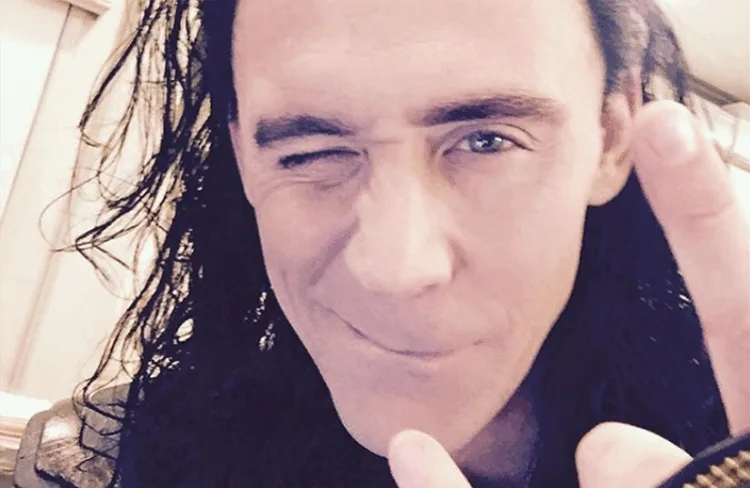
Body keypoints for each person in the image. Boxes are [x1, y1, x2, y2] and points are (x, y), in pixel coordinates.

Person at [13, 0, 749, 487]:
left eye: (487, 141)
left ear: (611, 135)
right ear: (242, 159)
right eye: (310, 152)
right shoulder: (112, 462)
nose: (396, 268)